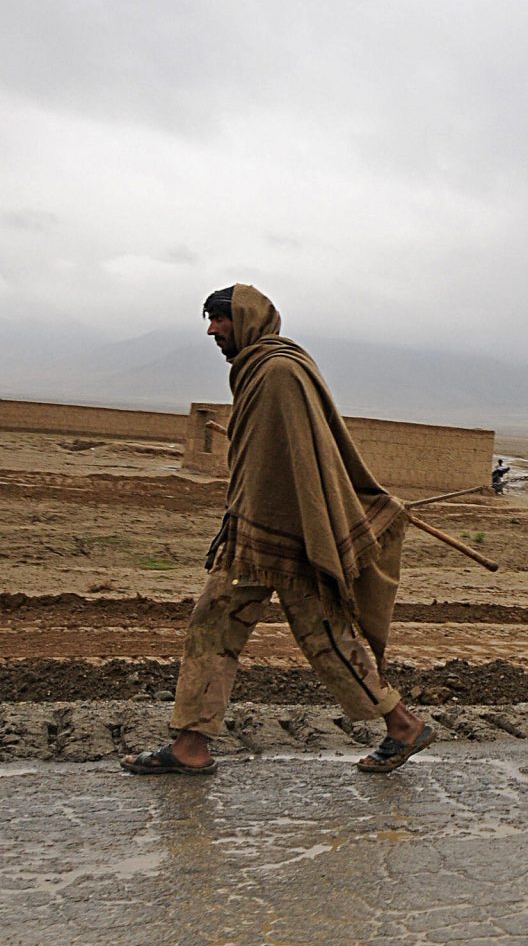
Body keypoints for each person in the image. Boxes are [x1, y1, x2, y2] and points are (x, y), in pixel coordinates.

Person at [122, 285, 434, 776]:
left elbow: (305, 463)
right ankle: (192, 743)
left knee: (322, 637)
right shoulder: (258, 370)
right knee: (218, 626)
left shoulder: (278, 372)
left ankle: (402, 724)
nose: (212, 330)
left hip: (288, 539)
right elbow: (265, 459)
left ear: (243, 318)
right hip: (259, 534)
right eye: (209, 320)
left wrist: (295, 523)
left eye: (219, 320)